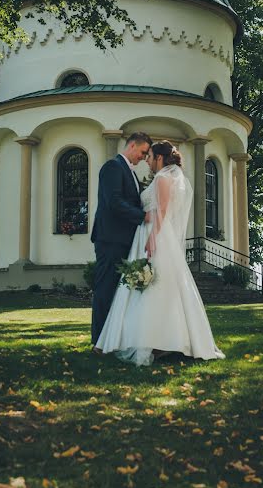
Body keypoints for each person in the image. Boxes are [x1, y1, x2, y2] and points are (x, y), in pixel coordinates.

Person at [95, 140, 225, 366]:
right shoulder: (165, 177)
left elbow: (162, 210)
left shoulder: (163, 178)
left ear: (160, 158)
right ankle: (151, 340)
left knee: (155, 288)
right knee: (152, 287)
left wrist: (153, 237)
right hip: (148, 234)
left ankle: (156, 340)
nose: (147, 160)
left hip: (154, 235)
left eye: (150, 155)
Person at [91, 131, 152, 350]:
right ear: (133, 146)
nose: (144, 158)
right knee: (105, 289)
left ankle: (112, 339)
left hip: (124, 240)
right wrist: (142, 216)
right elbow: (114, 202)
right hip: (110, 238)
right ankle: (98, 341)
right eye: (143, 152)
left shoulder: (131, 173)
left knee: (119, 291)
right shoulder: (113, 167)